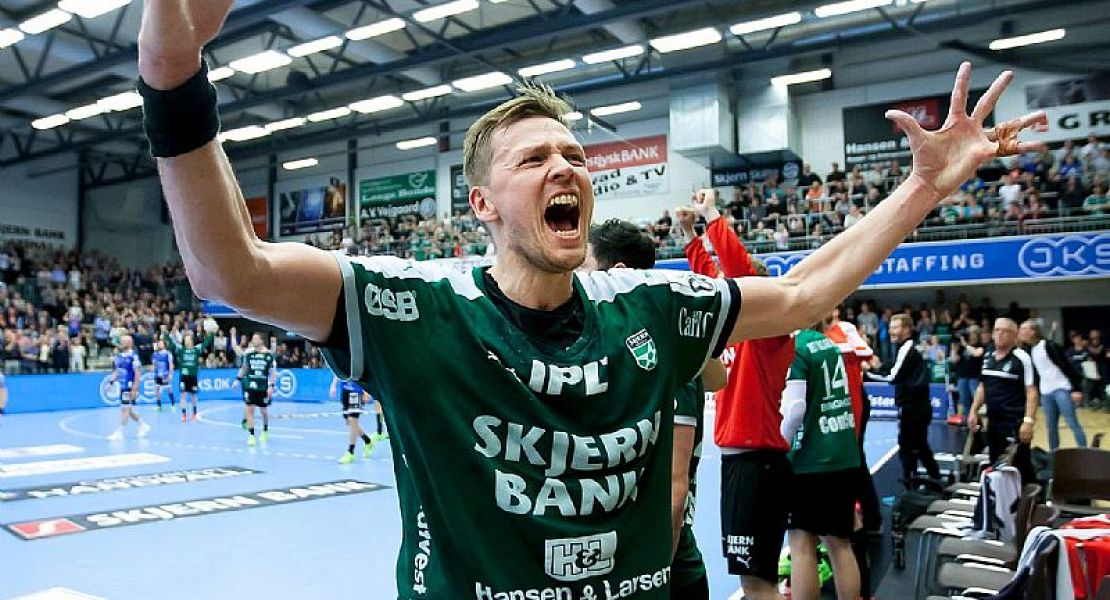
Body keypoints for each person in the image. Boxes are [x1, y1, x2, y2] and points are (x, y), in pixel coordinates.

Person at [137, 6, 1045, 590]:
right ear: (483, 206)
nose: (564, 166)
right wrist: (172, 72)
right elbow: (230, 274)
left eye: (573, 154)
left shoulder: (650, 306)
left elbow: (807, 291)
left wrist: (922, 188)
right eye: (534, 158)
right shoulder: (412, 308)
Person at [583, 218, 725, 600]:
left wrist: (653, 577)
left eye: (584, 265)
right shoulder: (636, 348)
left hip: (664, 574)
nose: (575, 278)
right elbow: (718, 376)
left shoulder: (662, 358)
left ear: (617, 274)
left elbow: (674, 489)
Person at [679, 190, 795, 600]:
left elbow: (734, 272)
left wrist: (712, 215)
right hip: (742, 465)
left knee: (757, 584)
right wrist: (689, 235)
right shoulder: (737, 334)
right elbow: (712, 284)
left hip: (757, 465)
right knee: (754, 582)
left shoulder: (769, 333)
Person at [780, 323, 861, 600]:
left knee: (802, 545)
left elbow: (794, 410)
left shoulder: (796, 348)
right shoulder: (828, 345)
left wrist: (779, 447)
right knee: (840, 544)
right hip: (842, 451)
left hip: (810, 459)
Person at [868, 314, 941, 484]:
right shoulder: (905, 349)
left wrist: (869, 373)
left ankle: (918, 479)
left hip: (914, 408)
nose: (891, 331)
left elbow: (892, 377)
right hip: (915, 406)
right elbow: (894, 367)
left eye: (895, 327)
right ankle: (923, 477)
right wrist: (879, 366)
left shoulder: (907, 350)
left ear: (907, 330)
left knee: (910, 446)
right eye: (890, 327)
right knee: (917, 445)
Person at [968, 318, 1038, 483]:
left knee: (1017, 467)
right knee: (996, 465)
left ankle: (1029, 495)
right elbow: (982, 386)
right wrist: (973, 410)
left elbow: (1032, 391)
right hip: (993, 423)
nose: (1000, 334)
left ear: (1015, 336)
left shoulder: (1022, 358)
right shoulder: (988, 356)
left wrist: (1028, 421)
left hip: (1014, 424)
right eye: (997, 330)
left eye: (1005, 331)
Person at [1019, 320, 1086, 449]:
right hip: (1045, 392)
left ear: (1032, 331)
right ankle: (1053, 454)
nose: (1020, 332)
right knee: (1051, 427)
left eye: (1023, 329)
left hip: (1061, 389)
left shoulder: (1050, 346)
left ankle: (1084, 450)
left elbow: (1067, 366)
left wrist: (1076, 389)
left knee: (1072, 423)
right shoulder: (1029, 350)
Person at [163, 326, 211, 422]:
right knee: (183, 395)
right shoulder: (181, 349)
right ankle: (184, 414)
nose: (186, 341)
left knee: (193, 396)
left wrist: (212, 334)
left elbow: (206, 343)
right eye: (185, 340)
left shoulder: (196, 349)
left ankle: (194, 413)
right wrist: (165, 333)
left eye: (188, 340)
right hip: (184, 376)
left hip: (193, 376)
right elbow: (172, 344)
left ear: (191, 341)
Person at [107, 334, 150, 441]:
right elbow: (117, 371)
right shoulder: (119, 356)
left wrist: (135, 388)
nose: (121, 343)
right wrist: (111, 381)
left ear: (129, 343)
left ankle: (119, 433)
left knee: (124, 409)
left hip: (129, 387)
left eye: (123, 341)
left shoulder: (133, 357)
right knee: (128, 409)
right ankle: (143, 425)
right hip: (122, 386)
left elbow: (138, 372)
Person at [237, 333, 275, 447]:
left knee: (263, 411)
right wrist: (237, 379)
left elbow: (272, 372)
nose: (254, 340)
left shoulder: (269, 355)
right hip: (251, 386)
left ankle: (265, 430)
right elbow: (244, 368)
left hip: (263, 386)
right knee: (250, 409)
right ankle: (252, 435)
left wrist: (271, 386)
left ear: (261, 340)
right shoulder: (249, 353)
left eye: (256, 338)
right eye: (253, 338)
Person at [330, 375, 377, 463]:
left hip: (356, 392)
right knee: (350, 422)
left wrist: (366, 391)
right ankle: (368, 441)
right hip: (345, 391)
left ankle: (350, 452)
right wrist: (333, 385)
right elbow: (338, 370)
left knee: (352, 420)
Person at [949, 325, 985, 423]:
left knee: (976, 400)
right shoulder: (962, 346)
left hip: (974, 377)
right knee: (964, 401)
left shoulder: (980, 345)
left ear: (977, 334)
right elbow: (954, 360)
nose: (970, 334)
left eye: (972, 332)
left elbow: (976, 353)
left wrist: (965, 344)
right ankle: (967, 421)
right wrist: (954, 349)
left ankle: (979, 421)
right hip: (962, 376)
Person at [150, 339, 175, 411]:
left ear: (164, 345)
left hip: (165, 374)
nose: (159, 345)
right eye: (158, 344)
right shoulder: (155, 354)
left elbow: (171, 364)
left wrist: (170, 374)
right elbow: (154, 364)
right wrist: (152, 372)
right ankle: (159, 406)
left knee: (169, 390)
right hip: (157, 375)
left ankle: (173, 404)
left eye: (161, 343)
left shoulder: (168, 354)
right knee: (157, 390)